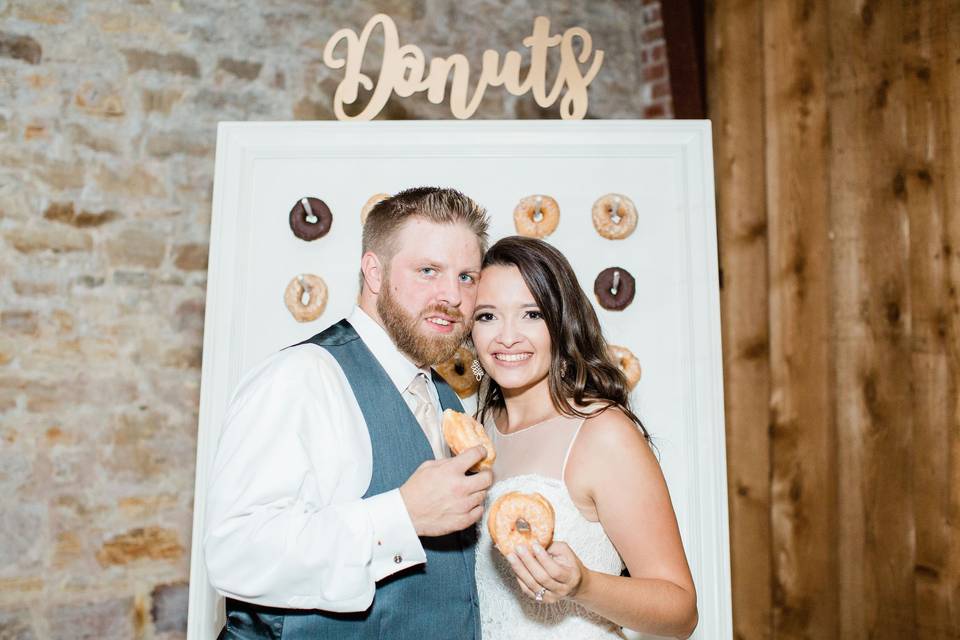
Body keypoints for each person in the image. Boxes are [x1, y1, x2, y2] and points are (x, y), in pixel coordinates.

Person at [204, 187, 494, 639]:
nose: (452, 296)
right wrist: (402, 515)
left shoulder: (447, 400)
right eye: (428, 270)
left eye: (466, 277)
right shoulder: (299, 377)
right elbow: (235, 553)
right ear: (374, 272)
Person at [470, 236, 698, 639]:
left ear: (561, 323)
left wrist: (583, 586)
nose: (507, 337)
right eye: (487, 316)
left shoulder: (602, 433)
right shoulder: (476, 431)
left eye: (531, 315)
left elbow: (680, 611)